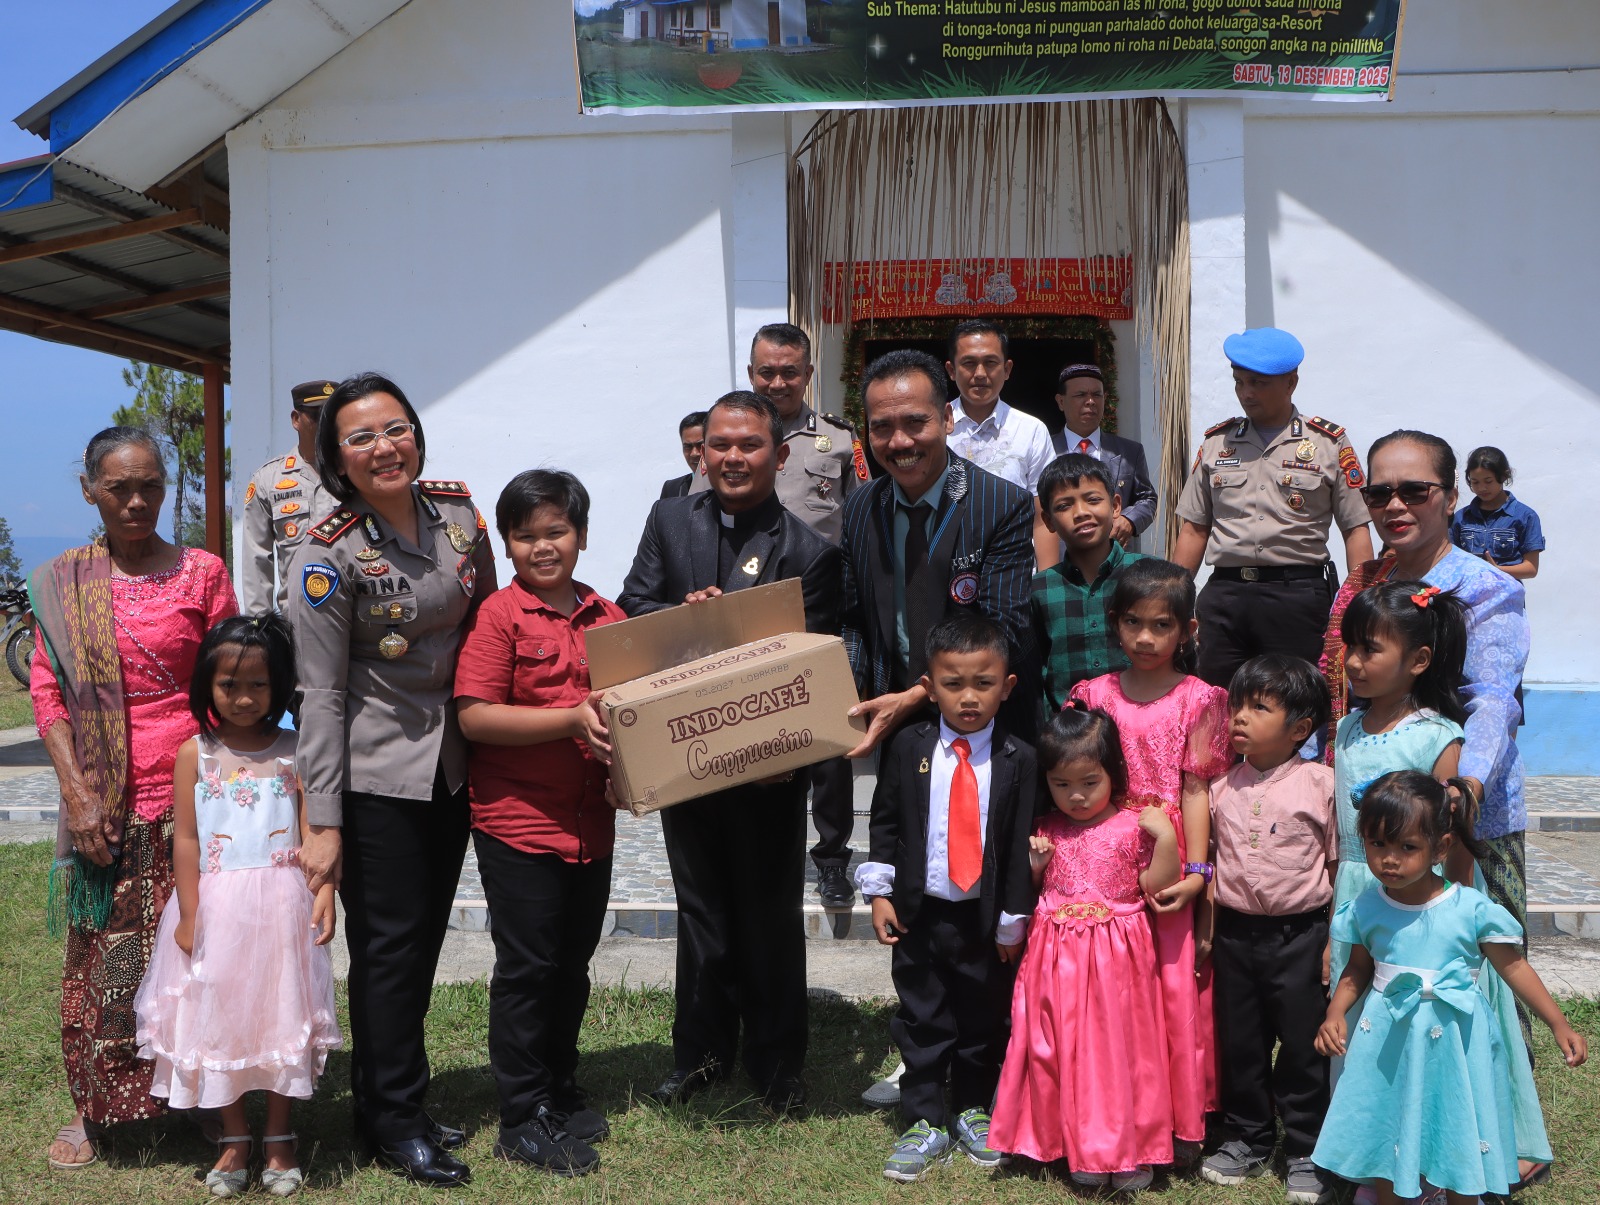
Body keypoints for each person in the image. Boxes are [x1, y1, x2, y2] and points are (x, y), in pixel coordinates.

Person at [287, 372, 497, 1187]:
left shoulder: (456, 512)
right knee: (388, 954)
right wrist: (325, 820)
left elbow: (482, 622)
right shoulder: (327, 549)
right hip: (379, 776)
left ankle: (386, 1102)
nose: (385, 447)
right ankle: (395, 1120)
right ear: (337, 457)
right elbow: (321, 693)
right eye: (362, 437)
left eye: (396, 428)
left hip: (453, 765)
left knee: (416, 948)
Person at [616, 390, 841, 1112]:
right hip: (688, 758)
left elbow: (819, 660)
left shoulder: (809, 552)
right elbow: (632, 607)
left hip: (771, 765)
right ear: (700, 452)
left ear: (779, 456)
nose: (733, 458)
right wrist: (684, 621)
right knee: (702, 911)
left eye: (749, 446)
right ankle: (701, 1055)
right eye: (720, 445)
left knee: (770, 913)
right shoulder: (669, 520)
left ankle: (778, 1064)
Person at [31, 427, 238, 1171]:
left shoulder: (203, 572)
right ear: (88, 488)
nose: (138, 500)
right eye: (119, 487)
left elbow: (232, 676)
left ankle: (214, 1098)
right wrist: (78, 792)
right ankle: (96, 1107)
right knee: (104, 961)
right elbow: (47, 690)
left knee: (203, 951)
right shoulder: (64, 582)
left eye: (151, 484)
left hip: (197, 790)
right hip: (105, 799)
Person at [1330, 578, 1554, 1195]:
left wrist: (1461, 922)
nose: (1353, 662)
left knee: (1432, 1038)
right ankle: (1373, 1155)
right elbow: (1341, 831)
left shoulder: (1438, 735)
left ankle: (1440, 1155)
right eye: (1349, 646)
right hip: (1360, 893)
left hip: (1430, 909)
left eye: (1369, 648)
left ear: (1419, 660)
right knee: (1371, 1025)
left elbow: (1450, 840)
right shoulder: (1347, 729)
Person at [1317, 433, 1533, 1031]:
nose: (1395, 506)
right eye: (1379, 492)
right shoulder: (1360, 586)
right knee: (1379, 989)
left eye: (1415, 491)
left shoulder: (1489, 587)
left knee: (1480, 989)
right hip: (1378, 833)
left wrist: (1465, 789)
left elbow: (1491, 702)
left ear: (1450, 496)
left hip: (1465, 818)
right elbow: (1338, 692)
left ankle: (1490, 1119)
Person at [134, 615, 340, 1199]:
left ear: (280, 686)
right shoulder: (193, 755)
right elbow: (188, 840)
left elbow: (312, 832)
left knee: (280, 1013)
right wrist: (192, 913)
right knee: (218, 1018)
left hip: (283, 907)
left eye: (259, 685)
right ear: (206, 686)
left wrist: (324, 891)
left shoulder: (296, 752)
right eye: (229, 685)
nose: (244, 698)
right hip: (216, 910)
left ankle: (279, 1136)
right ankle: (233, 1137)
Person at [453, 469, 622, 1177]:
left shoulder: (608, 615)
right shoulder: (500, 615)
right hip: (518, 823)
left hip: (592, 827)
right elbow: (475, 716)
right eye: (526, 535)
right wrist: (569, 719)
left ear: (580, 535)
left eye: (556, 530)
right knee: (528, 968)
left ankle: (559, 1082)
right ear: (509, 543)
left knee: (572, 966)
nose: (543, 545)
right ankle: (522, 1114)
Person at [1312, 771, 1587, 1204]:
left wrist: (1557, 1022)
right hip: (1388, 1039)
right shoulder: (1366, 908)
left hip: (1457, 1039)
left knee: (1457, 1117)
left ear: (1441, 847)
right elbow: (1358, 971)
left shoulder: (1470, 908)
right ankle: (1391, 1194)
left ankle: (1461, 1195)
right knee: (1389, 1116)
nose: (1389, 860)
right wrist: (1334, 1013)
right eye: (1377, 844)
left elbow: (1513, 968)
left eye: (1407, 847)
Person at [856, 615, 1038, 1183]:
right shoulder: (908, 745)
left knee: (984, 1019)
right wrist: (879, 894)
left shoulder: (1019, 758)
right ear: (929, 686)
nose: (967, 698)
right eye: (952, 684)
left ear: (1007, 686)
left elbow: (1015, 847)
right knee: (922, 1017)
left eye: (983, 684)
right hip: (920, 912)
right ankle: (924, 1118)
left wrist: (1012, 921)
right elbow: (884, 822)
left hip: (983, 919)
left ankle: (974, 1110)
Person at [1069, 558, 1232, 1157]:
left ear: (1187, 631)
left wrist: (1197, 872)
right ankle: (1112, 1109)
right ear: (1114, 624)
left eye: (1161, 625)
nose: (1144, 638)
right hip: (1103, 863)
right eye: (1133, 623)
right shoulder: (1091, 696)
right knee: (1114, 990)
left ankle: (1179, 1118)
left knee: (1171, 985)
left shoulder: (1202, 700)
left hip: (1169, 866)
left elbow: (1196, 790)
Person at [699, 323, 866, 906]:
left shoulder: (841, 443)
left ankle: (833, 857)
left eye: (789, 370)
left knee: (828, 736)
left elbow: (859, 518)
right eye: (766, 371)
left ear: (807, 374)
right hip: (742, 611)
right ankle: (770, 850)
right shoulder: (730, 433)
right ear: (751, 374)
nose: (777, 381)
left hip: (820, 605)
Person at [990, 705, 1179, 1193]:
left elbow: (1155, 889)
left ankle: (1125, 1148)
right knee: (1059, 1048)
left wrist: (1165, 842)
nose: (1075, 796)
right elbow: (1039, 888)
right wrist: (1037, 867)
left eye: (1089, 782)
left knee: (1118, 1053)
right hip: (1056, 960)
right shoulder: (1046, 828)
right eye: (1061, 784)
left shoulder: (1134, 825)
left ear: (1113, 773)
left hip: (1117, 962)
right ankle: (1073, 1143)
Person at [840, 349, 1038, 756]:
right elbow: (853, 619)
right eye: (882, 428)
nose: (899, 442)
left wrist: (917, 695)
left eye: (916, 422)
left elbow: (1004, 630)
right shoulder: (860, 508)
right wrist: (847, 703)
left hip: (983, 730)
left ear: (947, 419)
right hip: (890, 728)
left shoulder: (1001, 503)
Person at [1200, 655, 1336, 1205]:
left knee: (1304, 1047)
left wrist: (1332, 940)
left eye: (1260, 708)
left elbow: (1335, 866)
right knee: (1241, 1043)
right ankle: (1249, 1136)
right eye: (1238, 705)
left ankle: (1305, 1146)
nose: (1240, 718)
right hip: (1236, 937)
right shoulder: (1216, 789)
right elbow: (1207, 866)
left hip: (1300, 937)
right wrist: (1209, 935)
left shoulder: (1321, 785)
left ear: (1301, 729)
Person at [1172, 327, 1373, 691]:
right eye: (1239, 382)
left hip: (1296, 597)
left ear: (1291, 382)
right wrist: (1172, 598)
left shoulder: (1327, 444)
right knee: (1218, 702)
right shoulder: (1217, 443)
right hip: (1226, 599)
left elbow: (1355, 528)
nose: (1246, 393)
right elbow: (1194, 529)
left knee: (1297, 704)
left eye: (1258, 383)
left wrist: (1360, 603)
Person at [1031, 452, 1146, 712]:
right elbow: (1035, 674)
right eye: (1064, 506)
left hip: (1143, 731)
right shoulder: (1039, 591)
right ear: (1048, 521)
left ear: (1116, 505)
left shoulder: (1148, 575)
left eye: (1093, 500)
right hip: (1068, 739)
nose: (1081, 512)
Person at [943, 320, 1058, 567]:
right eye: (969, 363)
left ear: (1007, 369)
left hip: (1014, 570)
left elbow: (1043, 518)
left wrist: (1046, 588)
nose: (980, 374)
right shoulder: (932, 427)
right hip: (945, 569)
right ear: (952, 370)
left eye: (991, 363)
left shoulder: (1031, 430)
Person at [241, 380, 336, 613]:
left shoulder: (357, 473)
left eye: (333, 416)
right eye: (318, 416)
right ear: (296, 419)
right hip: (297, 618)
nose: (327, 424)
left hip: (358, 622)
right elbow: (256, 560)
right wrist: (261, 629)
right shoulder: (268, 480)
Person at [1050, 363, 1158, 550]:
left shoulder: (1129, 452)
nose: (1090, 401)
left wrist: (1129, 520)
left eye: (1097, 395)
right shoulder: (1044, 449)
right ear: (1060, 401)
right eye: (1081, 395)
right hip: (1059, 559)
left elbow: (1147, 499)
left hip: (1115, 559)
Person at [1452, 446, 1543, 582]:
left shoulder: (1526, 516)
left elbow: (1531, 569)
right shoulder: (1460, 518)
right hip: (1466, 598)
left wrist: (1496, 570)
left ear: (1504, 476)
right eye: (1475, 482)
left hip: (1506, 597)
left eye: (1488, 481)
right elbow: (1450, 560)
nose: (1482, 488)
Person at [659, 411, 707, 499]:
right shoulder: (672, 489)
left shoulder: (731, 484)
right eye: (688, 447)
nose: (694, 453)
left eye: (700, 445)